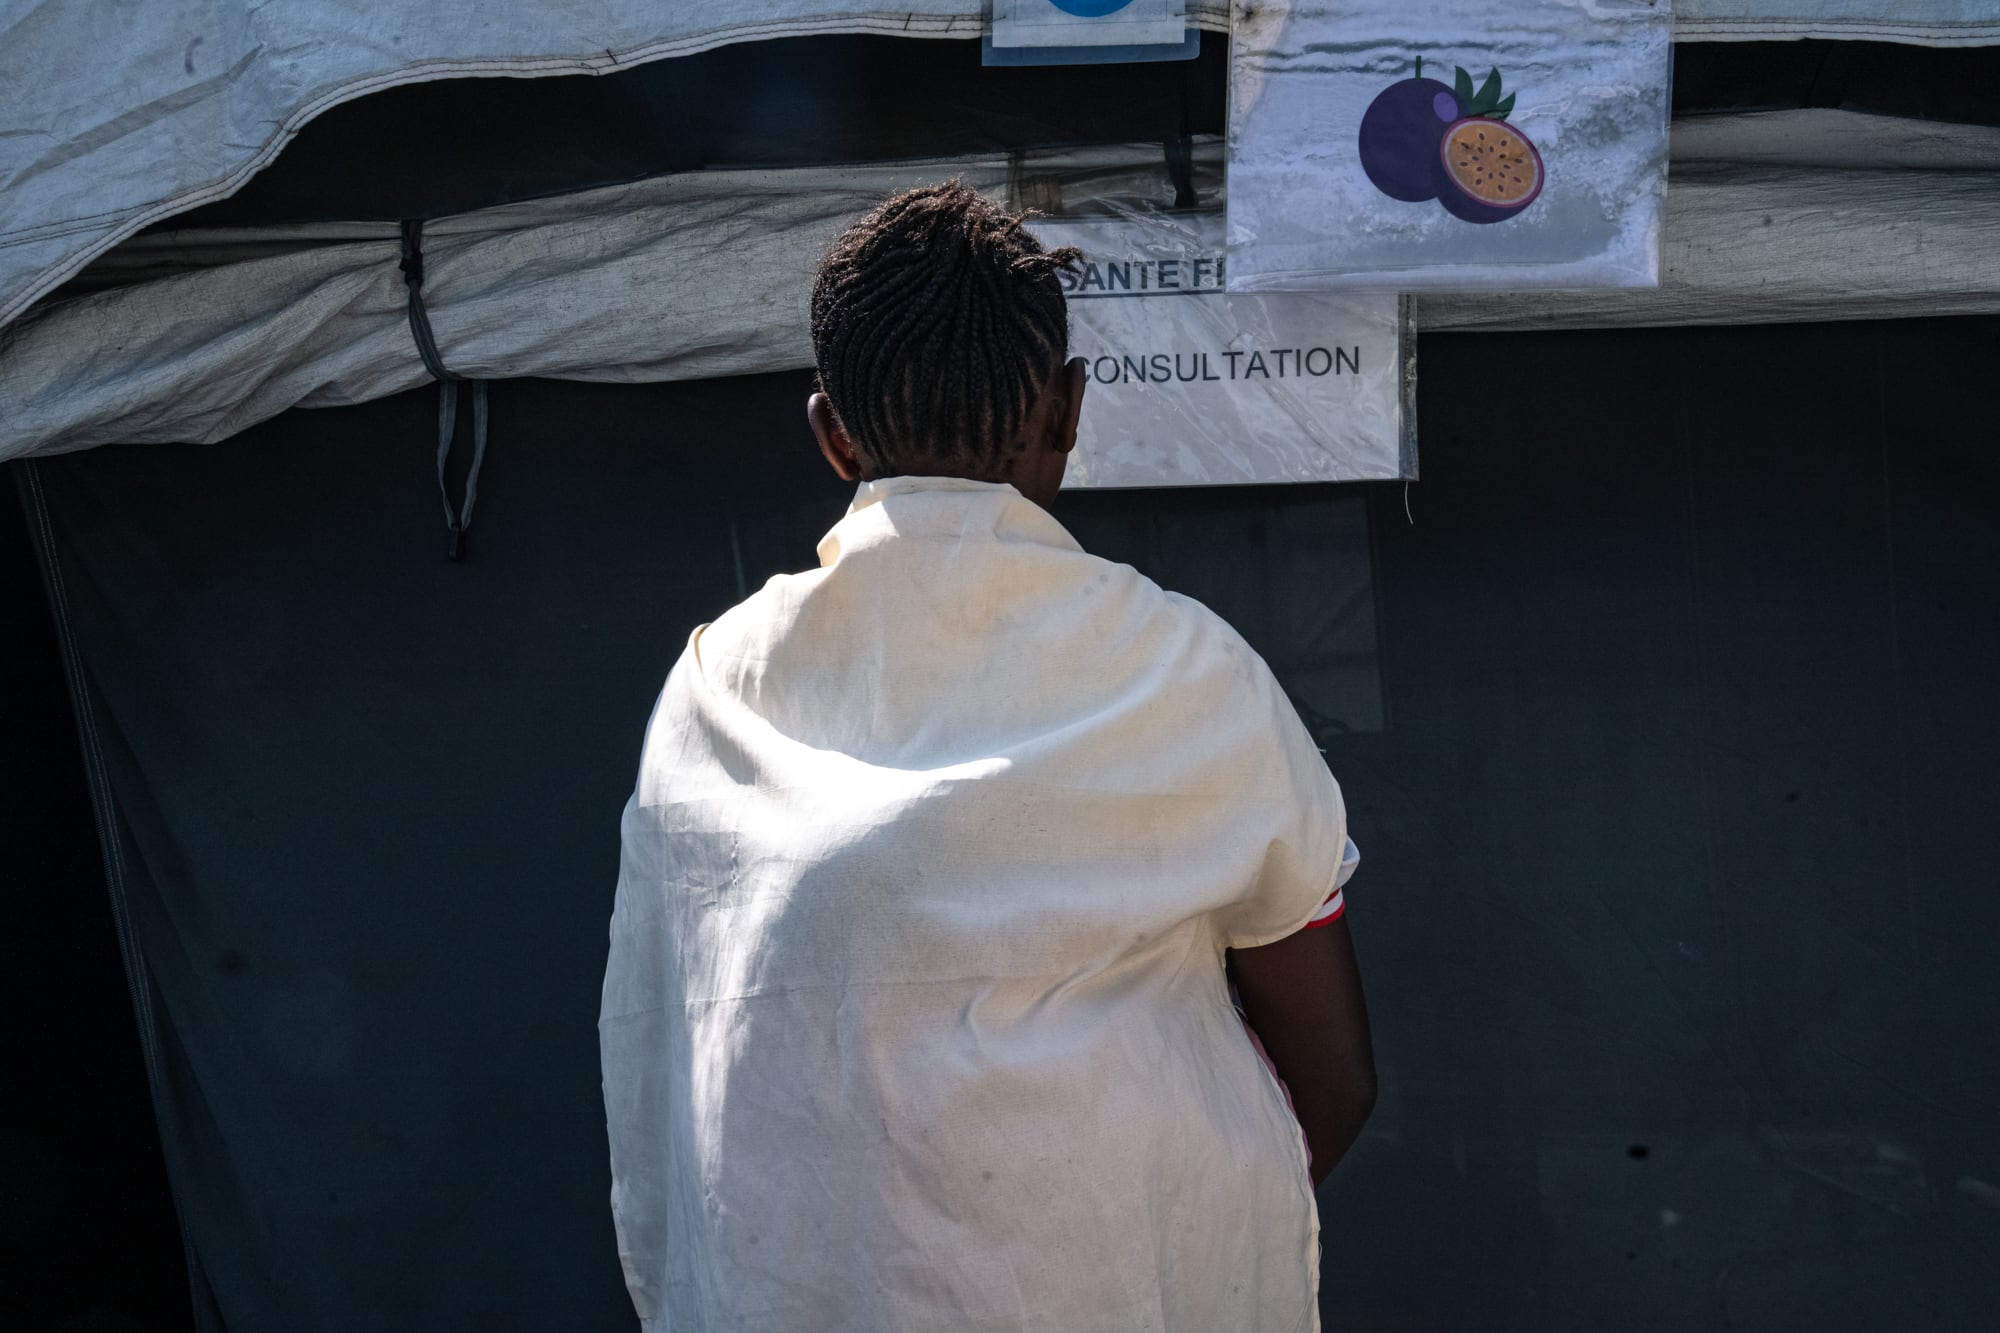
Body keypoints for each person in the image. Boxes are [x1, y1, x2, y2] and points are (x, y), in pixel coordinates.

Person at [599, 180, 1375, 1332]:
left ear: (830, 432)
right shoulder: (1184, 665)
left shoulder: (719, 684)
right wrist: (1161, 1225)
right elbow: (1334, 1077)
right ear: (1066, 412)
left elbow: (660, 1052)